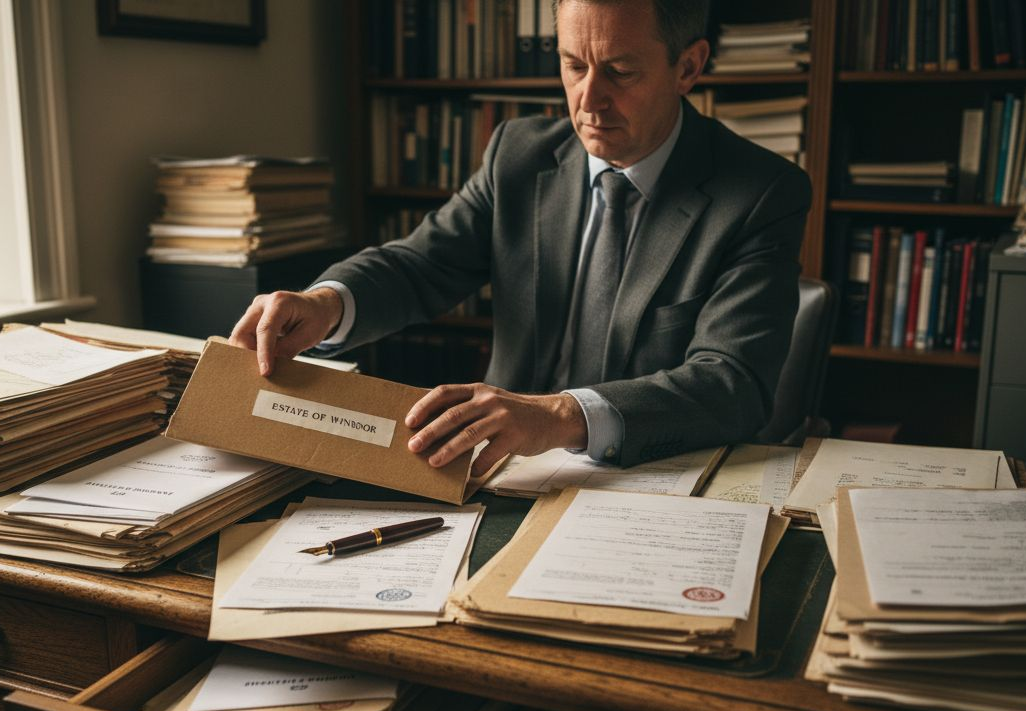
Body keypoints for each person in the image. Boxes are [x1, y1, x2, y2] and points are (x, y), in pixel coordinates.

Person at [229, 0, 810, 478]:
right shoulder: (519, 153)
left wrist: (558, 415)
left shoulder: (762, 193)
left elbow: (732, 383)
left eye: (621, 71)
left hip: (651, 477)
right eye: (573, 65)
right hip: (498, 474)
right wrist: (325, 303)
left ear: (688, 67)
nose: (590, 98)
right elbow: (422, 264)